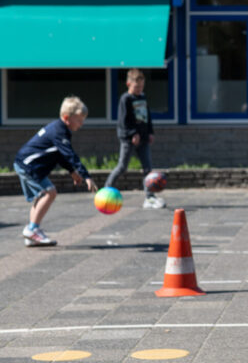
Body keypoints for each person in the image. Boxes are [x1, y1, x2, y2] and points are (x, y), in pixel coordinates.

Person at [13, 96, 99, 247]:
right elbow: (70, 155)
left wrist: (72, 171)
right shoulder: (59, 131)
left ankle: (32, 233)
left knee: (43, 195)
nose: (82, 124)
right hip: (28, 165)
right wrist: (86, 176)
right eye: (79, 120)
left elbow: (60, 154)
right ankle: (32, 229)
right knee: (50, 193)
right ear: (66, 118)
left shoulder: (60, 129)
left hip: (27, 164)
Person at [105, 69, 164, 209]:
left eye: (142, 86)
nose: (139, 89)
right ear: (128, 84)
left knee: (147, 168)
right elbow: (123, 121)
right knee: (122, 166)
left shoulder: (142, 97)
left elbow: (147, 117)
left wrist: (150, 132)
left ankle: (149, 197)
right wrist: (132, 134)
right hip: (128, 138)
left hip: (143, 138)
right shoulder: (125, 99)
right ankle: (106, 190)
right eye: (137, 87)